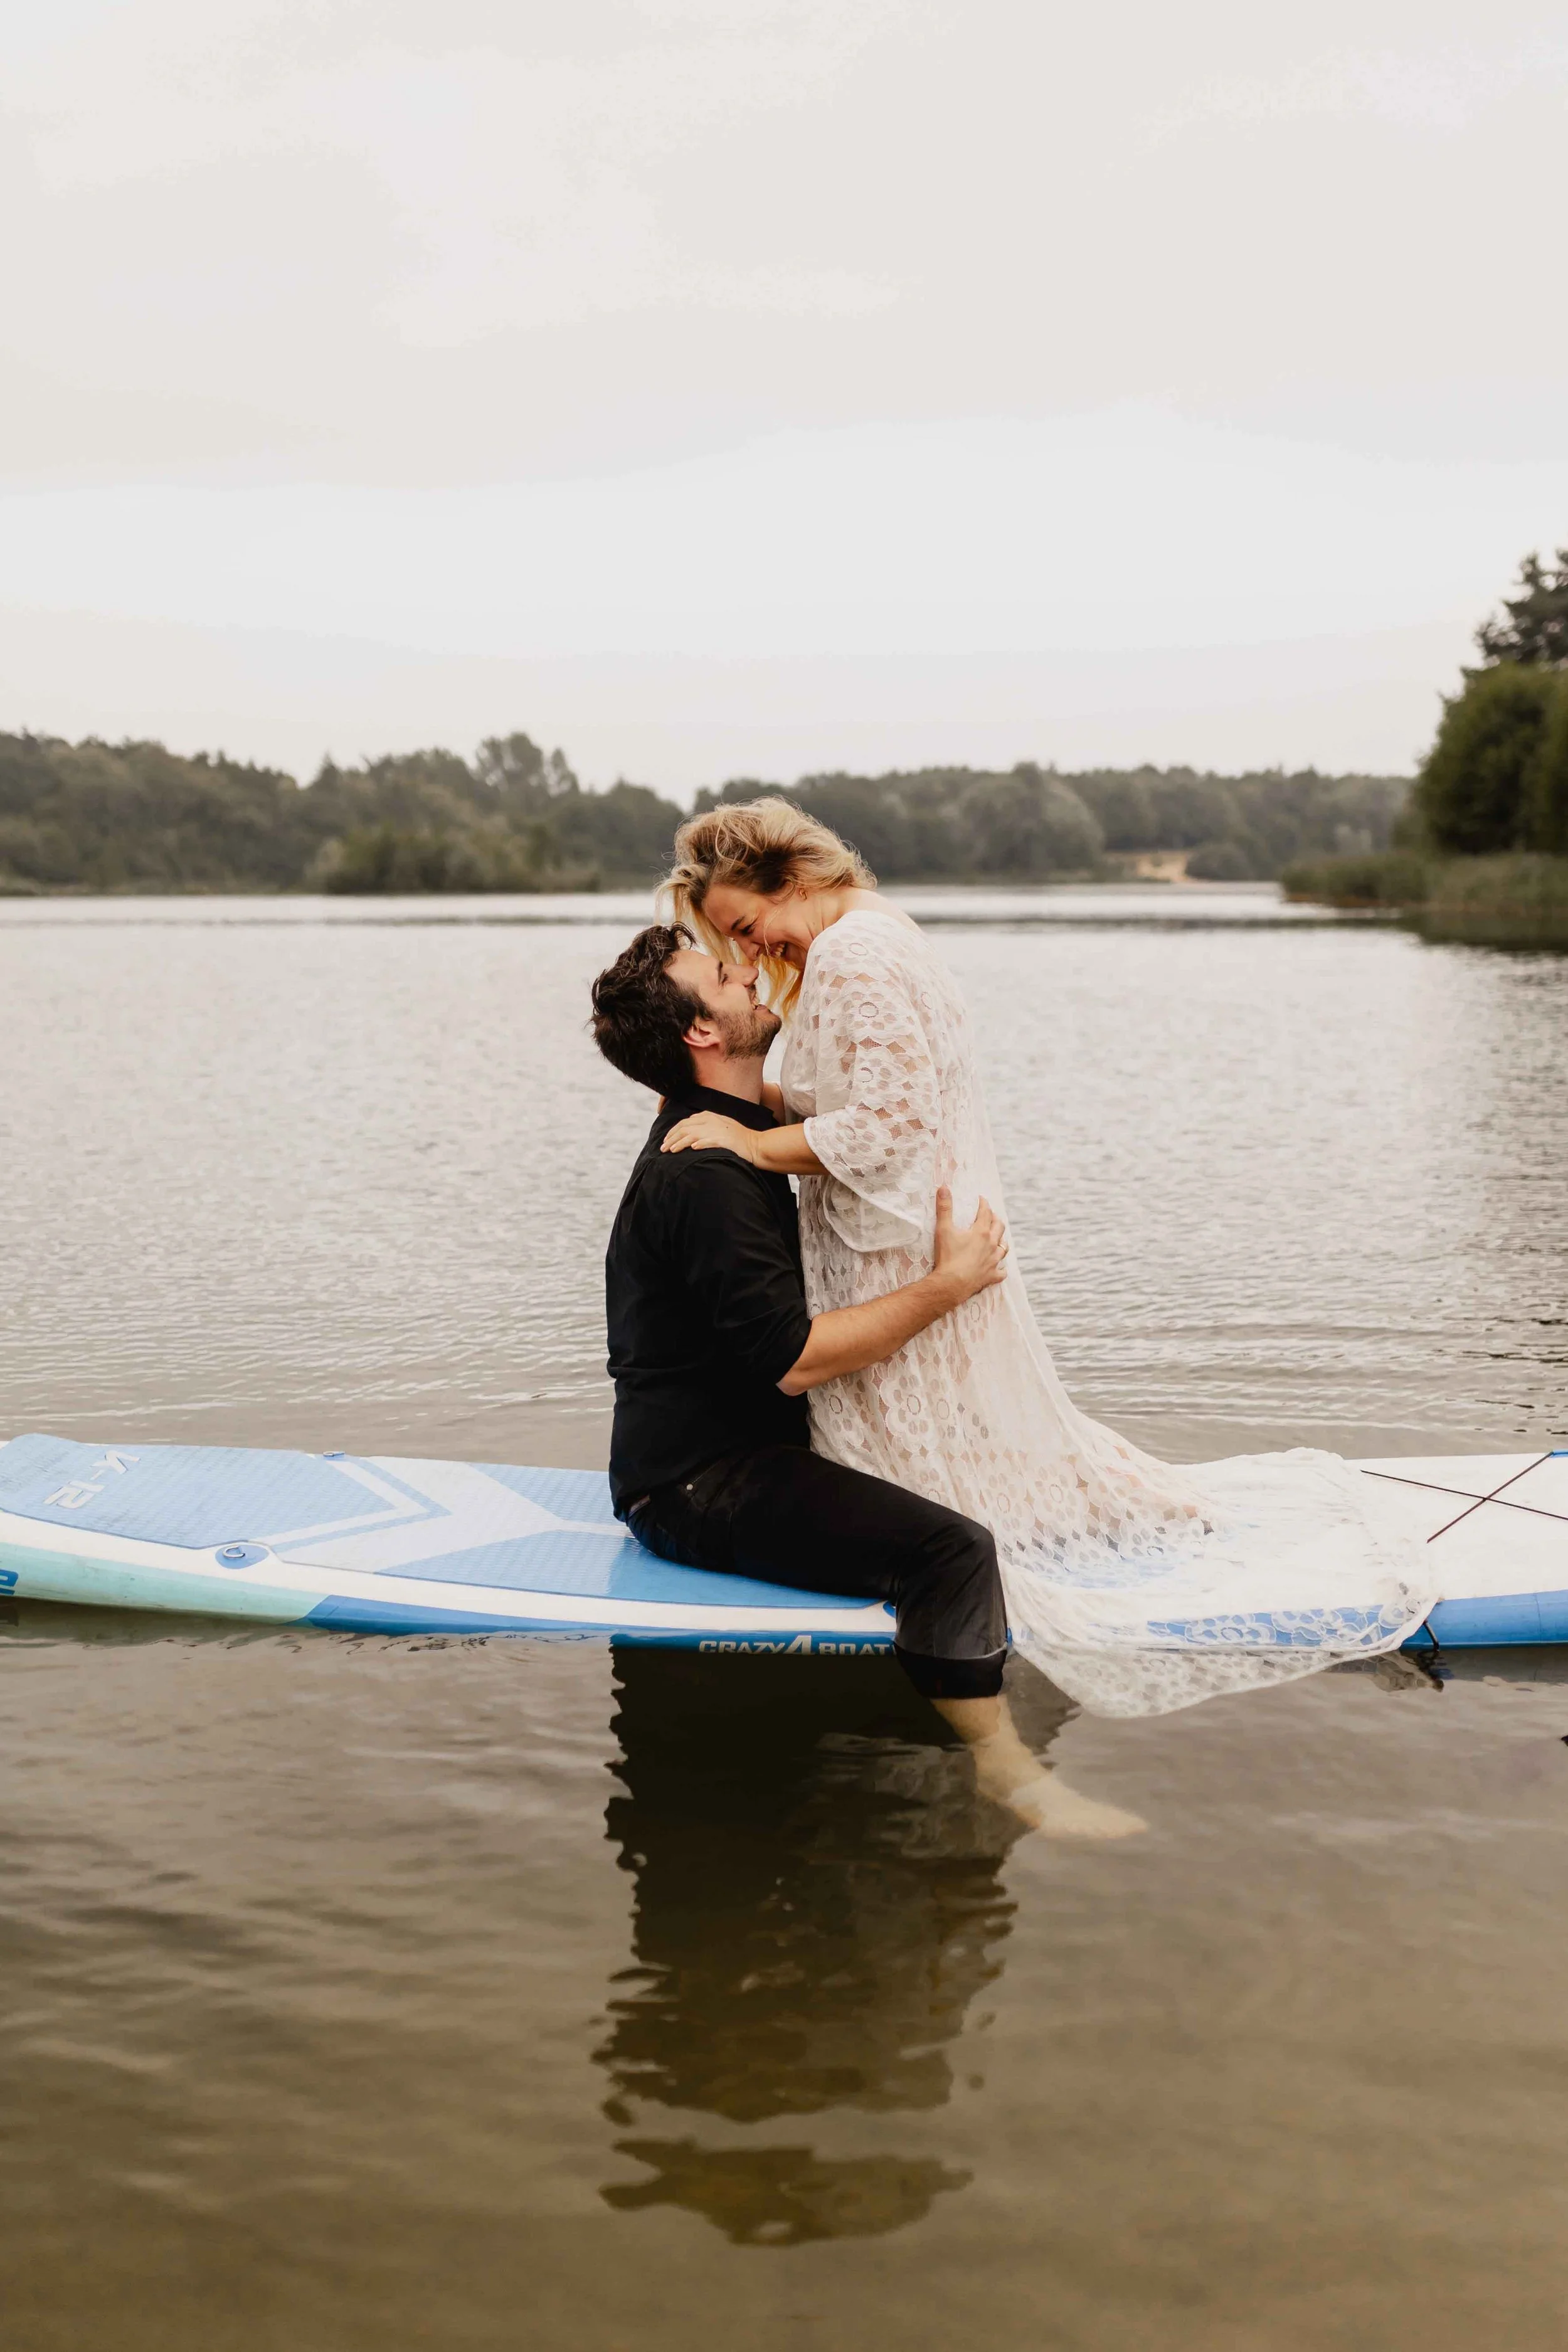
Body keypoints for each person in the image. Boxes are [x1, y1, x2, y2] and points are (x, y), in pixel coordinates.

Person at [657, 798, 1439, 1720]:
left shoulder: (850, 954)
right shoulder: (875, 929)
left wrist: (747, 1147)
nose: (754, 955)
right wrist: (748, 1107)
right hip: (915, 1237)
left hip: (899, 1256)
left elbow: (889, 1125)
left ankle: (984, 1580)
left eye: (749, 926)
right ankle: (1043, 1535)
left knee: (916, 1468)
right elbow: (864, 1093)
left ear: (789, 879)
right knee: (947, 1453)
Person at [589, 921, 1145, 1836]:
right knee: (953, 1549)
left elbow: (871, 1122)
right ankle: (1009, 1772)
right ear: (701, 1033)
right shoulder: (704, 1179)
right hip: (696, 1482)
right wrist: (948, 1285)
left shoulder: (749, 1128)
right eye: (729, 976)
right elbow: (794, 1357)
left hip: (730, 1451)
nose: (751, 976)